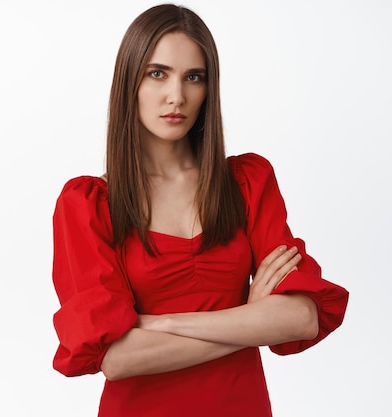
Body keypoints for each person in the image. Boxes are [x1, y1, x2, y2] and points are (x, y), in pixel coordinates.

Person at [51, 3, 349, 416]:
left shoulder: (247, 183)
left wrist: (161, 322)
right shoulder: (88, 205)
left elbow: (301, 319)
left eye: (194, 77)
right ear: (129, 82)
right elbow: (117, 359)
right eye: (158, 73)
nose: (177, 96)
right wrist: (249, 318)